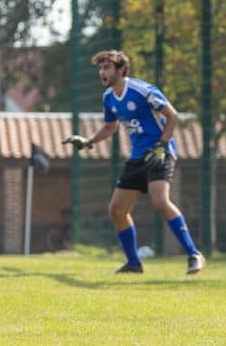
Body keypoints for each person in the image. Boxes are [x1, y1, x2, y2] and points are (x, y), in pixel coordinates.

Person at [63, 50, 205, 275]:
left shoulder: (142, 90)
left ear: (121, 70)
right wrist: (88, 142)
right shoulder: (109, 98)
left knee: (160, 201)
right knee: (116, 210)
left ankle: (194, 254)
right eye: (100, 68)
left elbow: (172, 115)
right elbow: (110, 127)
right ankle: (133, 263)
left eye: (107, 67)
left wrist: (162, 144)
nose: (102, 72)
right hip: (137, 157)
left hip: (160, 153)